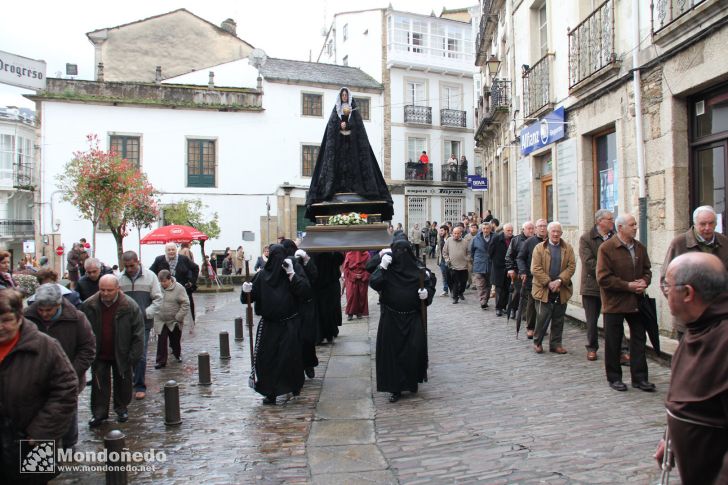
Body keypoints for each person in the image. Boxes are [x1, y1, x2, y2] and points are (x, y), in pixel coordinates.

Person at [659, 252, 728, 484]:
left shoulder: (723, 339)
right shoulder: (698, 327)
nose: (665, 291)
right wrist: (669, 437)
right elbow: (685, 396)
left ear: (688, 293)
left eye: (667, 285)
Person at [0, 288, 78, 484]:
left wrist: (42, 432)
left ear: (19, 317)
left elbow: (66, 389)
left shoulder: (45, 346)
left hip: (33, 440)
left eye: (6, 320)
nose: (0, 327)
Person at [304, 87, 393, 222]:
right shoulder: (336, 112)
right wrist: (340, 126)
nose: (344, 96)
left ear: (348, 97)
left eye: (346, 94)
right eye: (343, 94)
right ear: (340, 96)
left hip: (352, 149)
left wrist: (349, 125)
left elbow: (359, 131)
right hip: (339, 148)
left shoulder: (354, 113)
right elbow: (331, 130)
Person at [24, 284, 95, 449]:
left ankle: (68, 447)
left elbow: (88, 349)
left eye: (49, 310)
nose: (44, 314)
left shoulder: (77, 318)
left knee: (66, 412)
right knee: (40, 414)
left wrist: (71, 373)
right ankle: (42, 449)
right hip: (36, 379)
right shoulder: (27, 317)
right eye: (41, 310)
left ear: (58, 305)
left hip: (68, 378)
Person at [241, 244, 311, 404]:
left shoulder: (292, 271)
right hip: (269, 325)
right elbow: (248, 299)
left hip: (289, 323)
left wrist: (292, 274)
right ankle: (269, 390)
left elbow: (305, 292)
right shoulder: (261, 276)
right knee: (267, 358)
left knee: (289, 358)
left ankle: (292, 386)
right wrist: (246, 291)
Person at [370, 239, 434, 403]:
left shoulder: (417, 269)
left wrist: (427, 293)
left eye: (404, 252)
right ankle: (394, 387)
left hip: (412, 317)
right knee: (392, 353)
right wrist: (381, 266)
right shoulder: (388, 270)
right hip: (391, 317)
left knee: (413, 350)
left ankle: (410, 382)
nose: (401, 256)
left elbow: (429, 281)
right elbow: (374, 282)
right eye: (398, 252)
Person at [596, 214, 654, 392]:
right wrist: (628, 286)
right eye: (632, 224)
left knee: (638, 338)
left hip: (636, 302)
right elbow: (603, 278)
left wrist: (645, 281)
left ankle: (640, 378)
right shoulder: (607, 248)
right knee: (613, 341)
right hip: (614, 302)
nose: (636, 227)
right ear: (620, 228)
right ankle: (614, 378)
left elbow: (647, 270)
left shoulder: (640, 248)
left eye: (636, 224)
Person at [81, 275, 145, 426]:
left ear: (118, 289)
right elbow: (82, 330)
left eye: (109, 290)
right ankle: (99, 413)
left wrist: (133, 356)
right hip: (99, 352)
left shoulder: (129, 306)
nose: (106, 293)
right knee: (99, 385)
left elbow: (138, 334)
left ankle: (121, 409)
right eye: (102, 290)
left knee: (123, 382)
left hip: (122, 352)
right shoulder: (89, 305)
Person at [661, 205, 728, 340]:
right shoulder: (679, 243)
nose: (707, 228)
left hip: (718, 317)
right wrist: (681, 305)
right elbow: (665, 281)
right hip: (689, 319)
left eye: (711, 223)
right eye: (703, 224)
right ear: (695, 224)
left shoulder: (724, 243)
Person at [119, 251, 162, 400]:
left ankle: (139, 385)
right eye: (127, 266)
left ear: (138, 262)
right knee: (124, 353)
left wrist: (146, 313)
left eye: (132, 265)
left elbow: (158, 299)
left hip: (143, 322)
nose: (129, 269)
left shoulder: (150, 277)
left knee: (140, 354)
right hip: (124, 324)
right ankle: (127, 381)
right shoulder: (119, 279)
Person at [530, 222, 576, 354]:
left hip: (561, 288)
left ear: (561, 233)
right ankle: (537, 342)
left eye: (558, 232)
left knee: (558, 318)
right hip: (543, 288)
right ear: (548, 233)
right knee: (542, 317)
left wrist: (560, 280)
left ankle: (556, 344)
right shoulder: (539, 248)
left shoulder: (568, 248)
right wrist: (549, 282)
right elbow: (535, 268)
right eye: (553, 231)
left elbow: (571, 266)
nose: (556, 234)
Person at [579, 209, 615, 361]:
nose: (612, 221)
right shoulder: (586, 238)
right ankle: (592, 347)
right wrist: (608, 274)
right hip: (592, 285)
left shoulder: (614, 237)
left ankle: (618, 350)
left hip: (612, 286)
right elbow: (589, 262)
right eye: (609, 219)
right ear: (600, 221)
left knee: (613, 320)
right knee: (592, 321)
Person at [281, 239, 319, 378]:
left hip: (305, 305)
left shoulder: (301, 260)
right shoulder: (283, 263)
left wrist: (307, 260)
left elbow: (313, 277)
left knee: (307, 338)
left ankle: (308, 364)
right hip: (291, 306)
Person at [150, 242, 199, 321]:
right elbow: (151, 273)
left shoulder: (183, 259)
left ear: (176, 250)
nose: (171, 251)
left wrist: (192, 281)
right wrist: (157, 283)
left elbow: (195, 268)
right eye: (169, 250)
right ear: (165, 251)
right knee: (167, 313)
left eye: (173, 249)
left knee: (185, 313)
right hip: (165, 292)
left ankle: (187, 327)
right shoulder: (159, 259)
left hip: (182, 290)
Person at [518, 219, 548, 338]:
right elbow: (520, 258)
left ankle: (541, 327)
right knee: (532, 303)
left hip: (547, 278)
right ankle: (530, 327)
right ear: (536, 228)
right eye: (540, 226)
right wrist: (523, 271)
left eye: (544, 226)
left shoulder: (550, 241)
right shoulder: (530, 242)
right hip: (532, 278)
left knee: (545, 305)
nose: (542, 228)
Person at [154, 270, 190, 369]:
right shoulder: (156, 288)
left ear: (170, 279)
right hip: (161, 319)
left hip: (174, 320)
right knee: (161, 340)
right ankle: (161, 361)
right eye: (160, 281)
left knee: (175, 340)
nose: (162, 284)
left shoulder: (179, 288)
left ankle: (177, 354)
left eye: (164, 281)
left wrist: (179, 317)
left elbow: (185, 303)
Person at [310, 252, 345, 344]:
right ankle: (328, 334)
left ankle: (326, 334)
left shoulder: (316, 252)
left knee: (326, 312)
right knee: (327, 312)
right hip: (325, 286)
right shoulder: (329, 252)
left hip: (323, 286)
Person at [506, 221, 534, 319]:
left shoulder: (535, 240)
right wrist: (510, 269)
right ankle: (514, 309)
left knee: (528, 294)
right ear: (523, 230)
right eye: (529, 228)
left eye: (532, 228)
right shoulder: (516, 240)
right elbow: (509, 256)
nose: (531, 230)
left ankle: (525, 314)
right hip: (518, 271)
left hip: (531, 271)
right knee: (517, 293)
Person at [489, 222, 513, 316]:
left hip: (509, 268)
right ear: (503, 230)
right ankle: (498, 308)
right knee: (499, 289)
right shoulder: (496, 238)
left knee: (507, 289)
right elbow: (490, 252)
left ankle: (504, 306)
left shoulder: (514, 239)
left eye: (511, 230)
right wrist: (495, 262)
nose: (510, 232)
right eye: (508, 230)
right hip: (498, 268)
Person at [443, 226, 470, 304]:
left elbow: (469, 252)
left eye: (458, 233)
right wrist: (447, 260)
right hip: (453, 266)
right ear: (452, 233)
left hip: (463, 266)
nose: (456, 235)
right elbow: (444, 252)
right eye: (455, 233)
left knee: (463, 282)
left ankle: (461, 292)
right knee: (455, 282)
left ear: (461, 233)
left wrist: (467, 259)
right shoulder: (448, 240)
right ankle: (455, 297)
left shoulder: (465, 242)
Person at [470, 222, 492, 309]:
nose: (486, 230)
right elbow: (472, 251)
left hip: (490, 265)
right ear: (481, 229)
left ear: (490, 229)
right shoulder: (476, 239)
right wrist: (476, 259)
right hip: (479, 264)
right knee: (480, 285)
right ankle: (482, 301)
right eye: (484, 228)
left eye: (487, 228)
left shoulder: (494, 237)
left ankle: (486, 299)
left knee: (488, 284)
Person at [343, 251, 370, 320]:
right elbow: (346, 268)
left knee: (361, 296)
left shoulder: (366, 254)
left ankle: (359, 312)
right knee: (351, 295)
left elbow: (370, 267)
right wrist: (353, 275)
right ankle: (350, 313)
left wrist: (363, 275)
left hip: (362, 278)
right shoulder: (349, 254)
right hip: (351, 279)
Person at [436, 225, 451, 296]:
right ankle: (445, 290)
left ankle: (453, 289)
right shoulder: (440, 239)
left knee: (451, 275)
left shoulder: (451, 238)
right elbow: (439, 250)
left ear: (446, 231)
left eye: (442, 230)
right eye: (440, 230)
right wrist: (438, 260)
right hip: (442, 260)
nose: (440, 232)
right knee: (444, 276)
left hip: (450, 260)